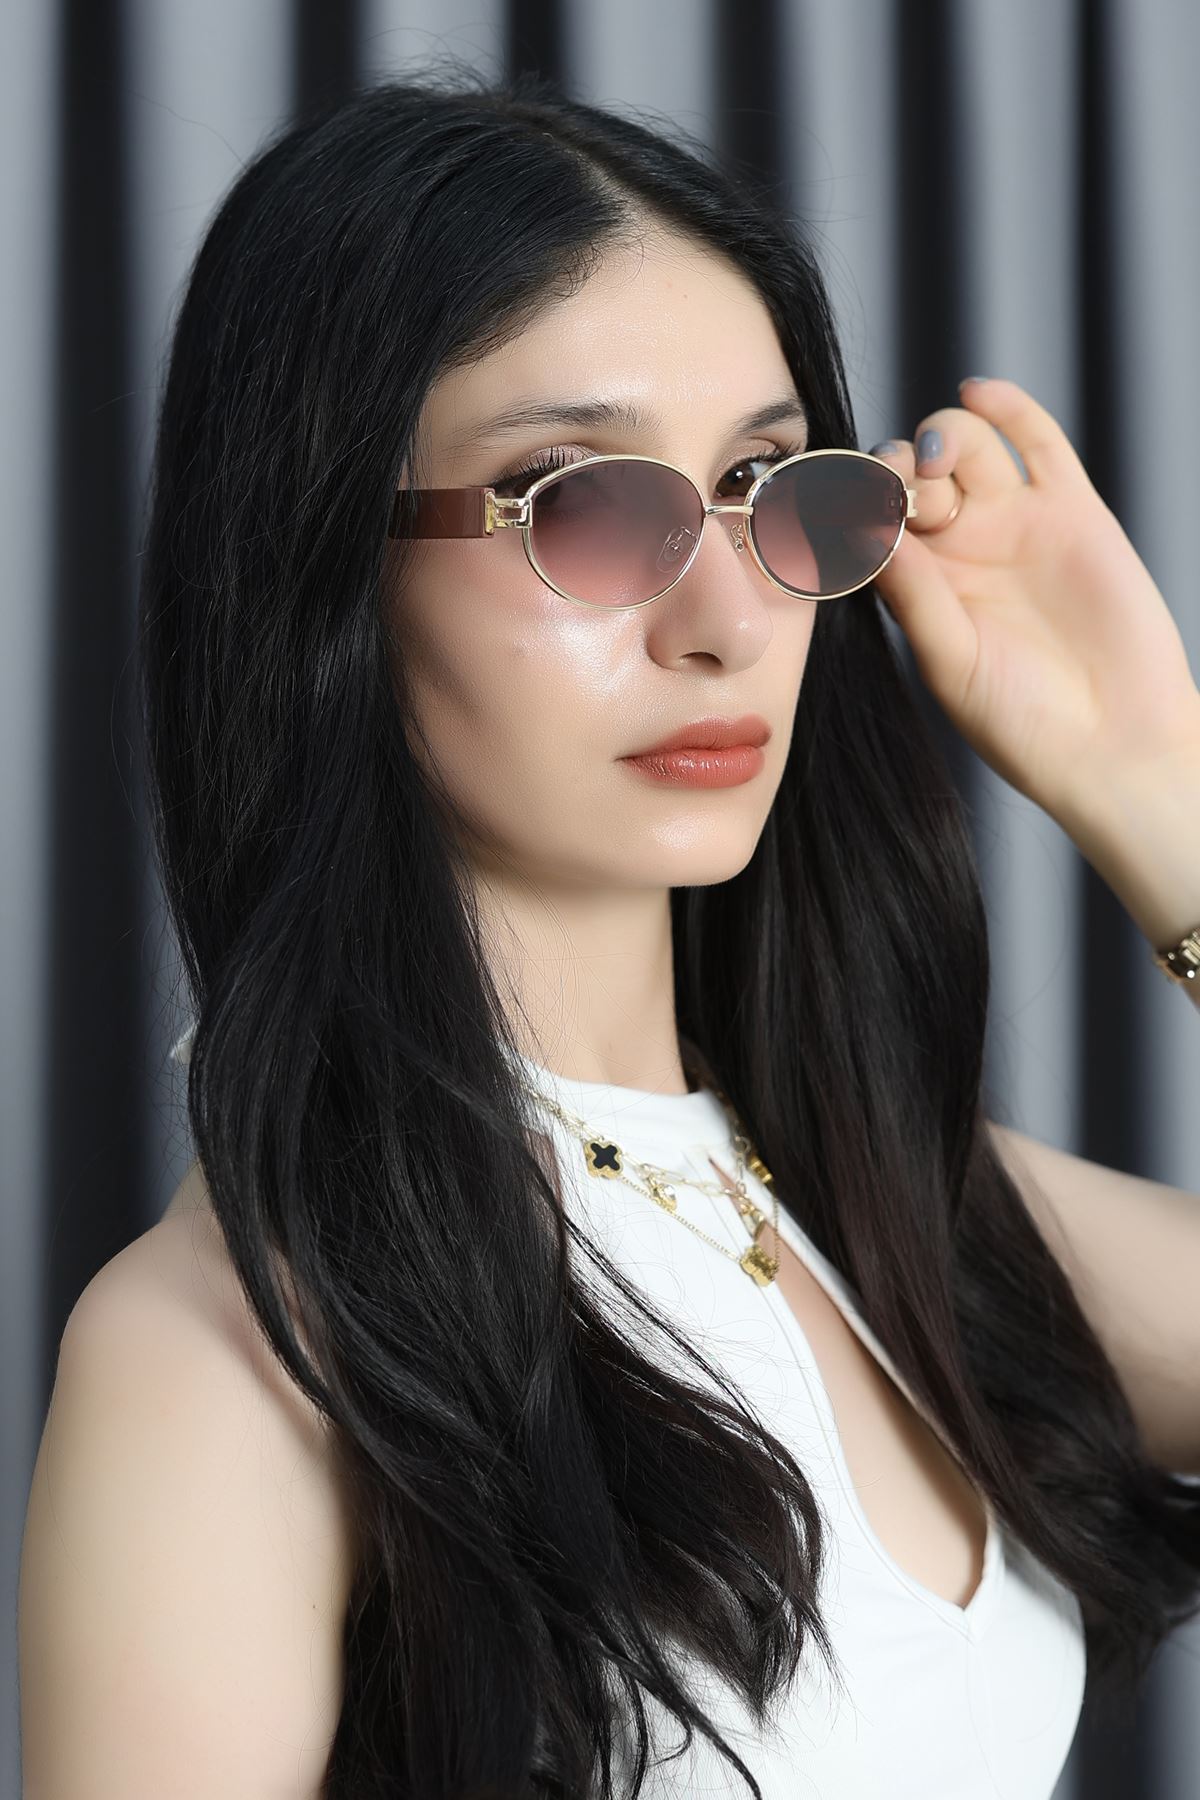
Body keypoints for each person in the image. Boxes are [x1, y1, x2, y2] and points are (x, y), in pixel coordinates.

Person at [18, 66, 1200, 1800]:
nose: (727, 619)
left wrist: (1157, 791)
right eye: (579, 501)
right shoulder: (238, 1353)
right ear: (327, 563)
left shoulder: (898, 1209)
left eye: (768, 483)